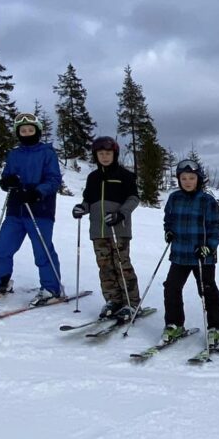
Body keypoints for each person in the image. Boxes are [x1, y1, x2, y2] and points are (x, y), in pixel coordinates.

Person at [0, 113, 63, 306]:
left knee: (42, 250)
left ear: (37, 132)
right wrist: (7, 182)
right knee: (2, 245)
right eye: (23, 131)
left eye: (31, 130)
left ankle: (51, 287)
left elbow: (54, 180)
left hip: (40, 209)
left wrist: (37, 192)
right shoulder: (14, 154)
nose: (27, 133)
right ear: (18, 133)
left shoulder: (47, 153)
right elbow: (7, 176)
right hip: (15, 208)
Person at [71, 136, 140, 319]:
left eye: (108, 153)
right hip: (98, 231)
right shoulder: (93, 177)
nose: (105, 156)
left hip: (119, 230)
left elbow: (133, 199)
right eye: (101, 153)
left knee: (122, 266)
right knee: (105, 267)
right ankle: (113, 300)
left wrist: (121, 214)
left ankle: (131, 303)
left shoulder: (124, 175)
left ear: (114, 154)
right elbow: (88, 201)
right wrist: (81, 209)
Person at [162, 159, 219, 345]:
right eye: (184, 178)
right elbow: (169, 220)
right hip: (180, 253)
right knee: (171, 288)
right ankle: (174, 324)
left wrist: (209, 246)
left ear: (199, 179)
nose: (188, 181)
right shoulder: (174, 198)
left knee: (207, 290)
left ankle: (216, 327)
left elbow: (216, 228)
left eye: (191, 178)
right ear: (179, 179)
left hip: (202, 256)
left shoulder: (207, 201)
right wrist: (169, 231)